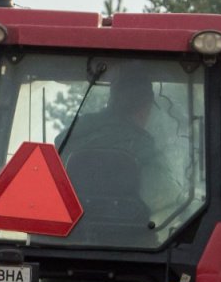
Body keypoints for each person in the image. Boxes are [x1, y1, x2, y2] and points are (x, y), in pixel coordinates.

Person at [58, 63, 180, 228]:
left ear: (112, 100)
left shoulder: (72, 134)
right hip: (130, 239)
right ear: (146, 106)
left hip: (68, 234)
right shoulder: (142, 145)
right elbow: (165, 197)